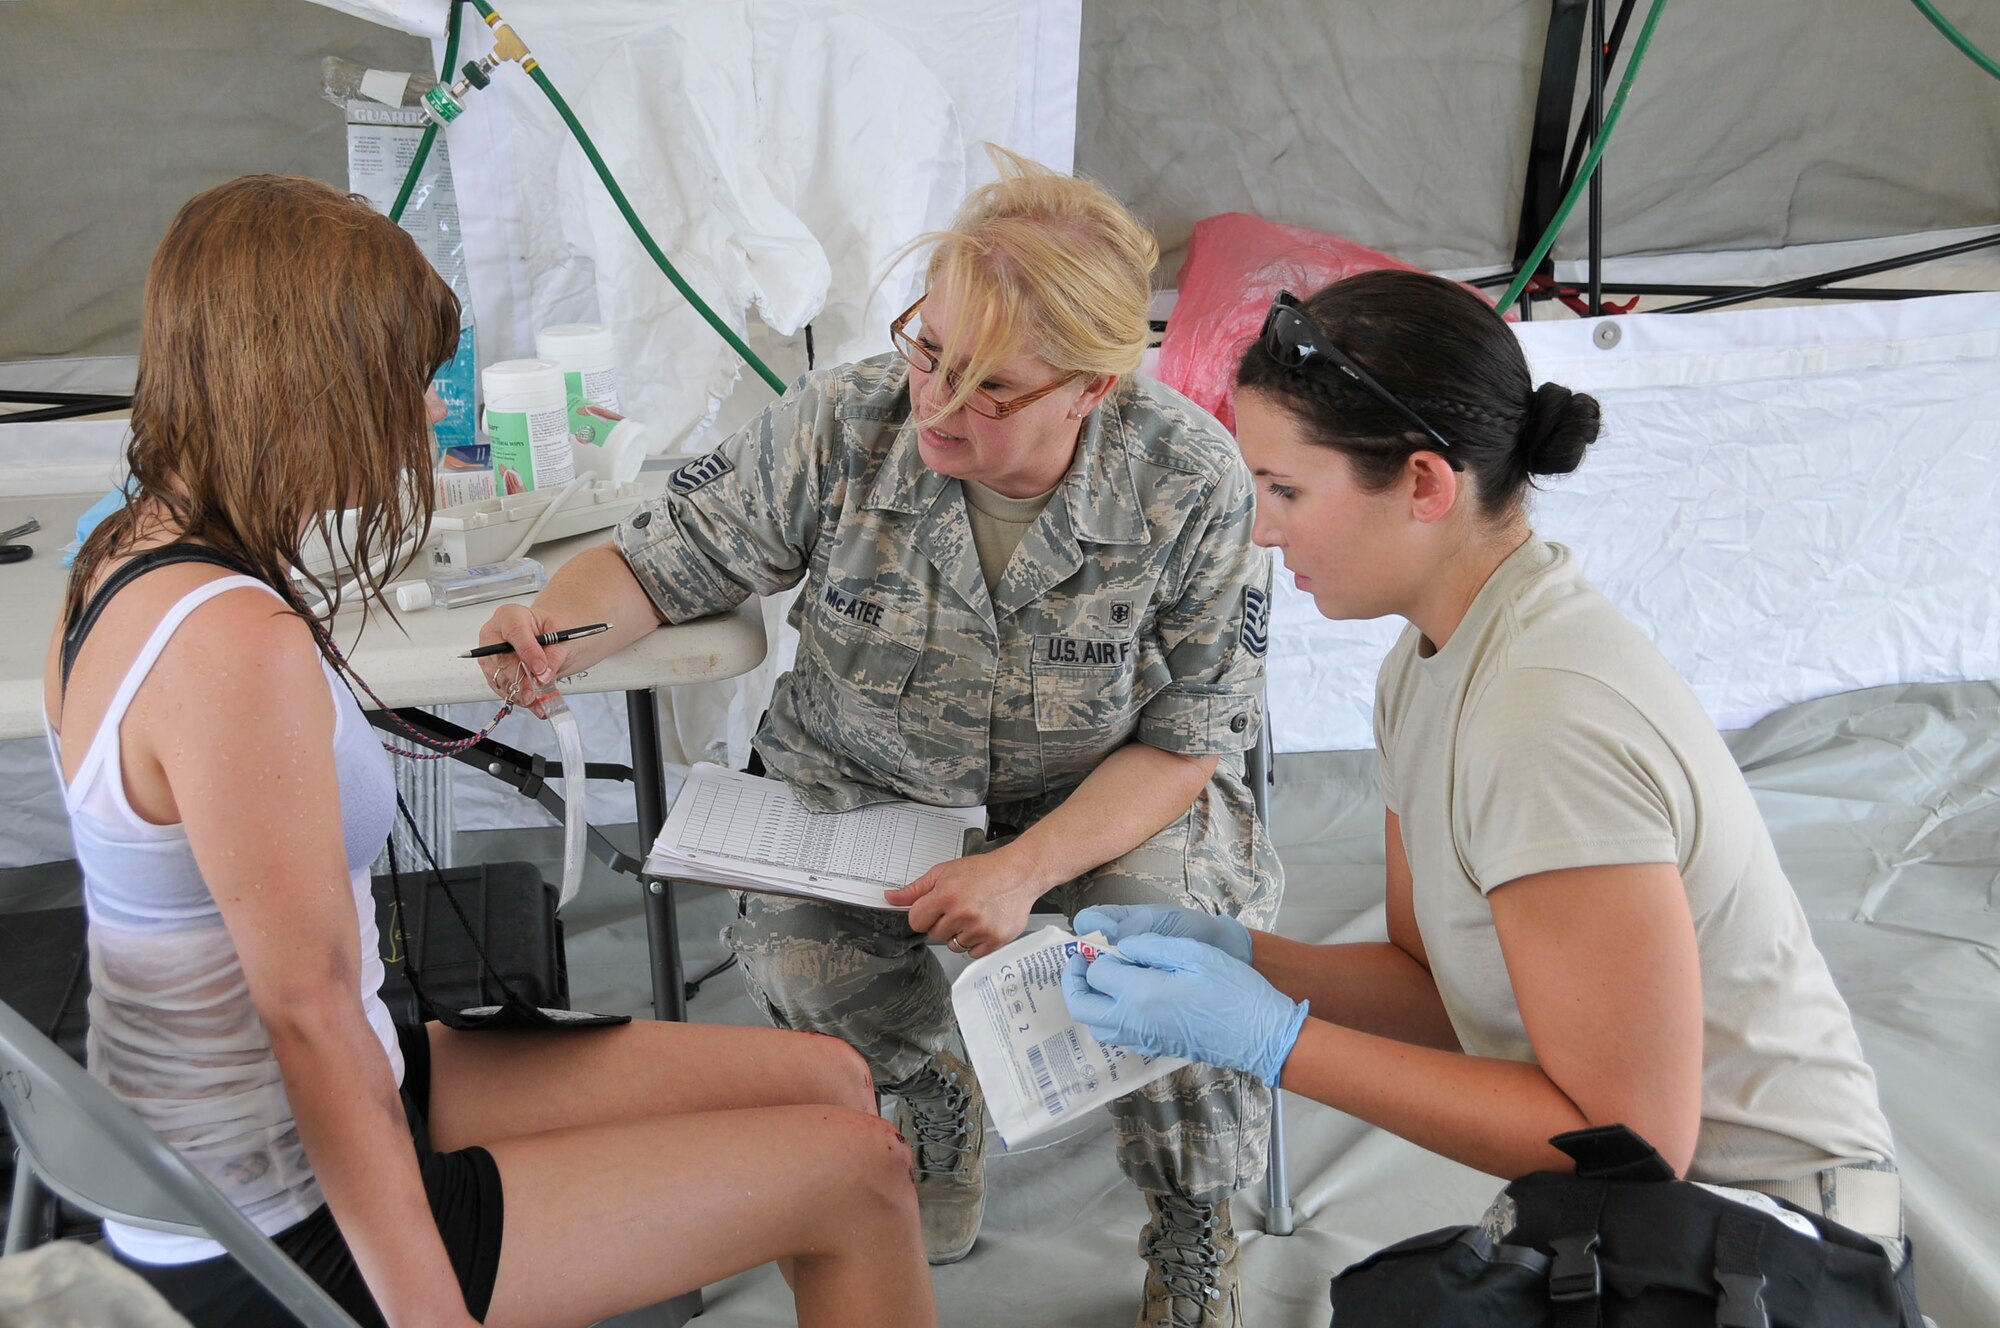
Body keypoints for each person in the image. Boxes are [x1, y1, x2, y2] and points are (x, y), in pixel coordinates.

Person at [42, 175, 934, 1328]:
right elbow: (307, 1021)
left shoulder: (125, 550)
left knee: (832, 1078)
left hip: (276, 1120)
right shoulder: (232, 644)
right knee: (858, 1174)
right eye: (406, 385)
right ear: (315, 388)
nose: (422, 418)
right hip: (269, 1217)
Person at [477, 150, 1280, 1325]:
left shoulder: (1189, 480)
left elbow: (1188, 737)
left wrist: (1024, 867)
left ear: (1091, 390)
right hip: (863, 781)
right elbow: (667, 559)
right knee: (796, 948)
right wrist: (553, 626)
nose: (937, 406)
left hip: (1092, 796)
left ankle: (1192, 1209)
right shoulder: (839, 422)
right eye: (928, 351)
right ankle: (927, 1091)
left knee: (1183, 956)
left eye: (992, 388)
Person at [1064, 271, 1907, 1256]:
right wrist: (1237, 955)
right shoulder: (1423, 664)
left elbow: (1629, 1137)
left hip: (1779, 1235)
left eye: (1286, 489)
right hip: (1655, 1218)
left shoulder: (1540, 716)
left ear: (1424, 482)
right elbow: (1436, 984)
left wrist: (1274, 1041)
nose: (1262, 527)